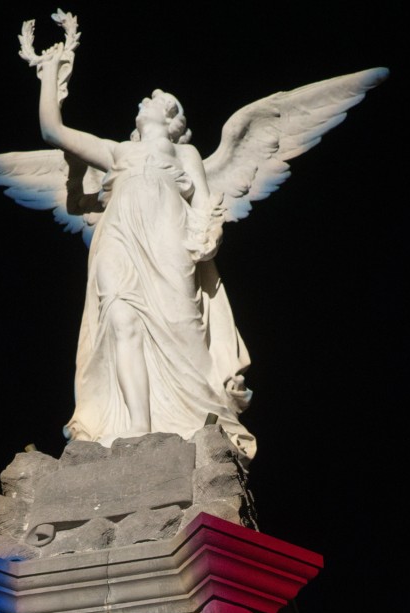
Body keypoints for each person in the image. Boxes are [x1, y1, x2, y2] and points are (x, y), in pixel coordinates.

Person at [36, 47, 256, 457]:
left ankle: (197, 419)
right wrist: (50, 73)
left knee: (181, 329)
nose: (143, 100)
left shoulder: (185, 153)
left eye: (152, 99)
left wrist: (208, 236)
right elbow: (53, 131)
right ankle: (137, 427)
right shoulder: (118, 151)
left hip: (167, 243)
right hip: (117, 239)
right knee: (121, 320)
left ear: (172, 116)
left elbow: (204, 204)